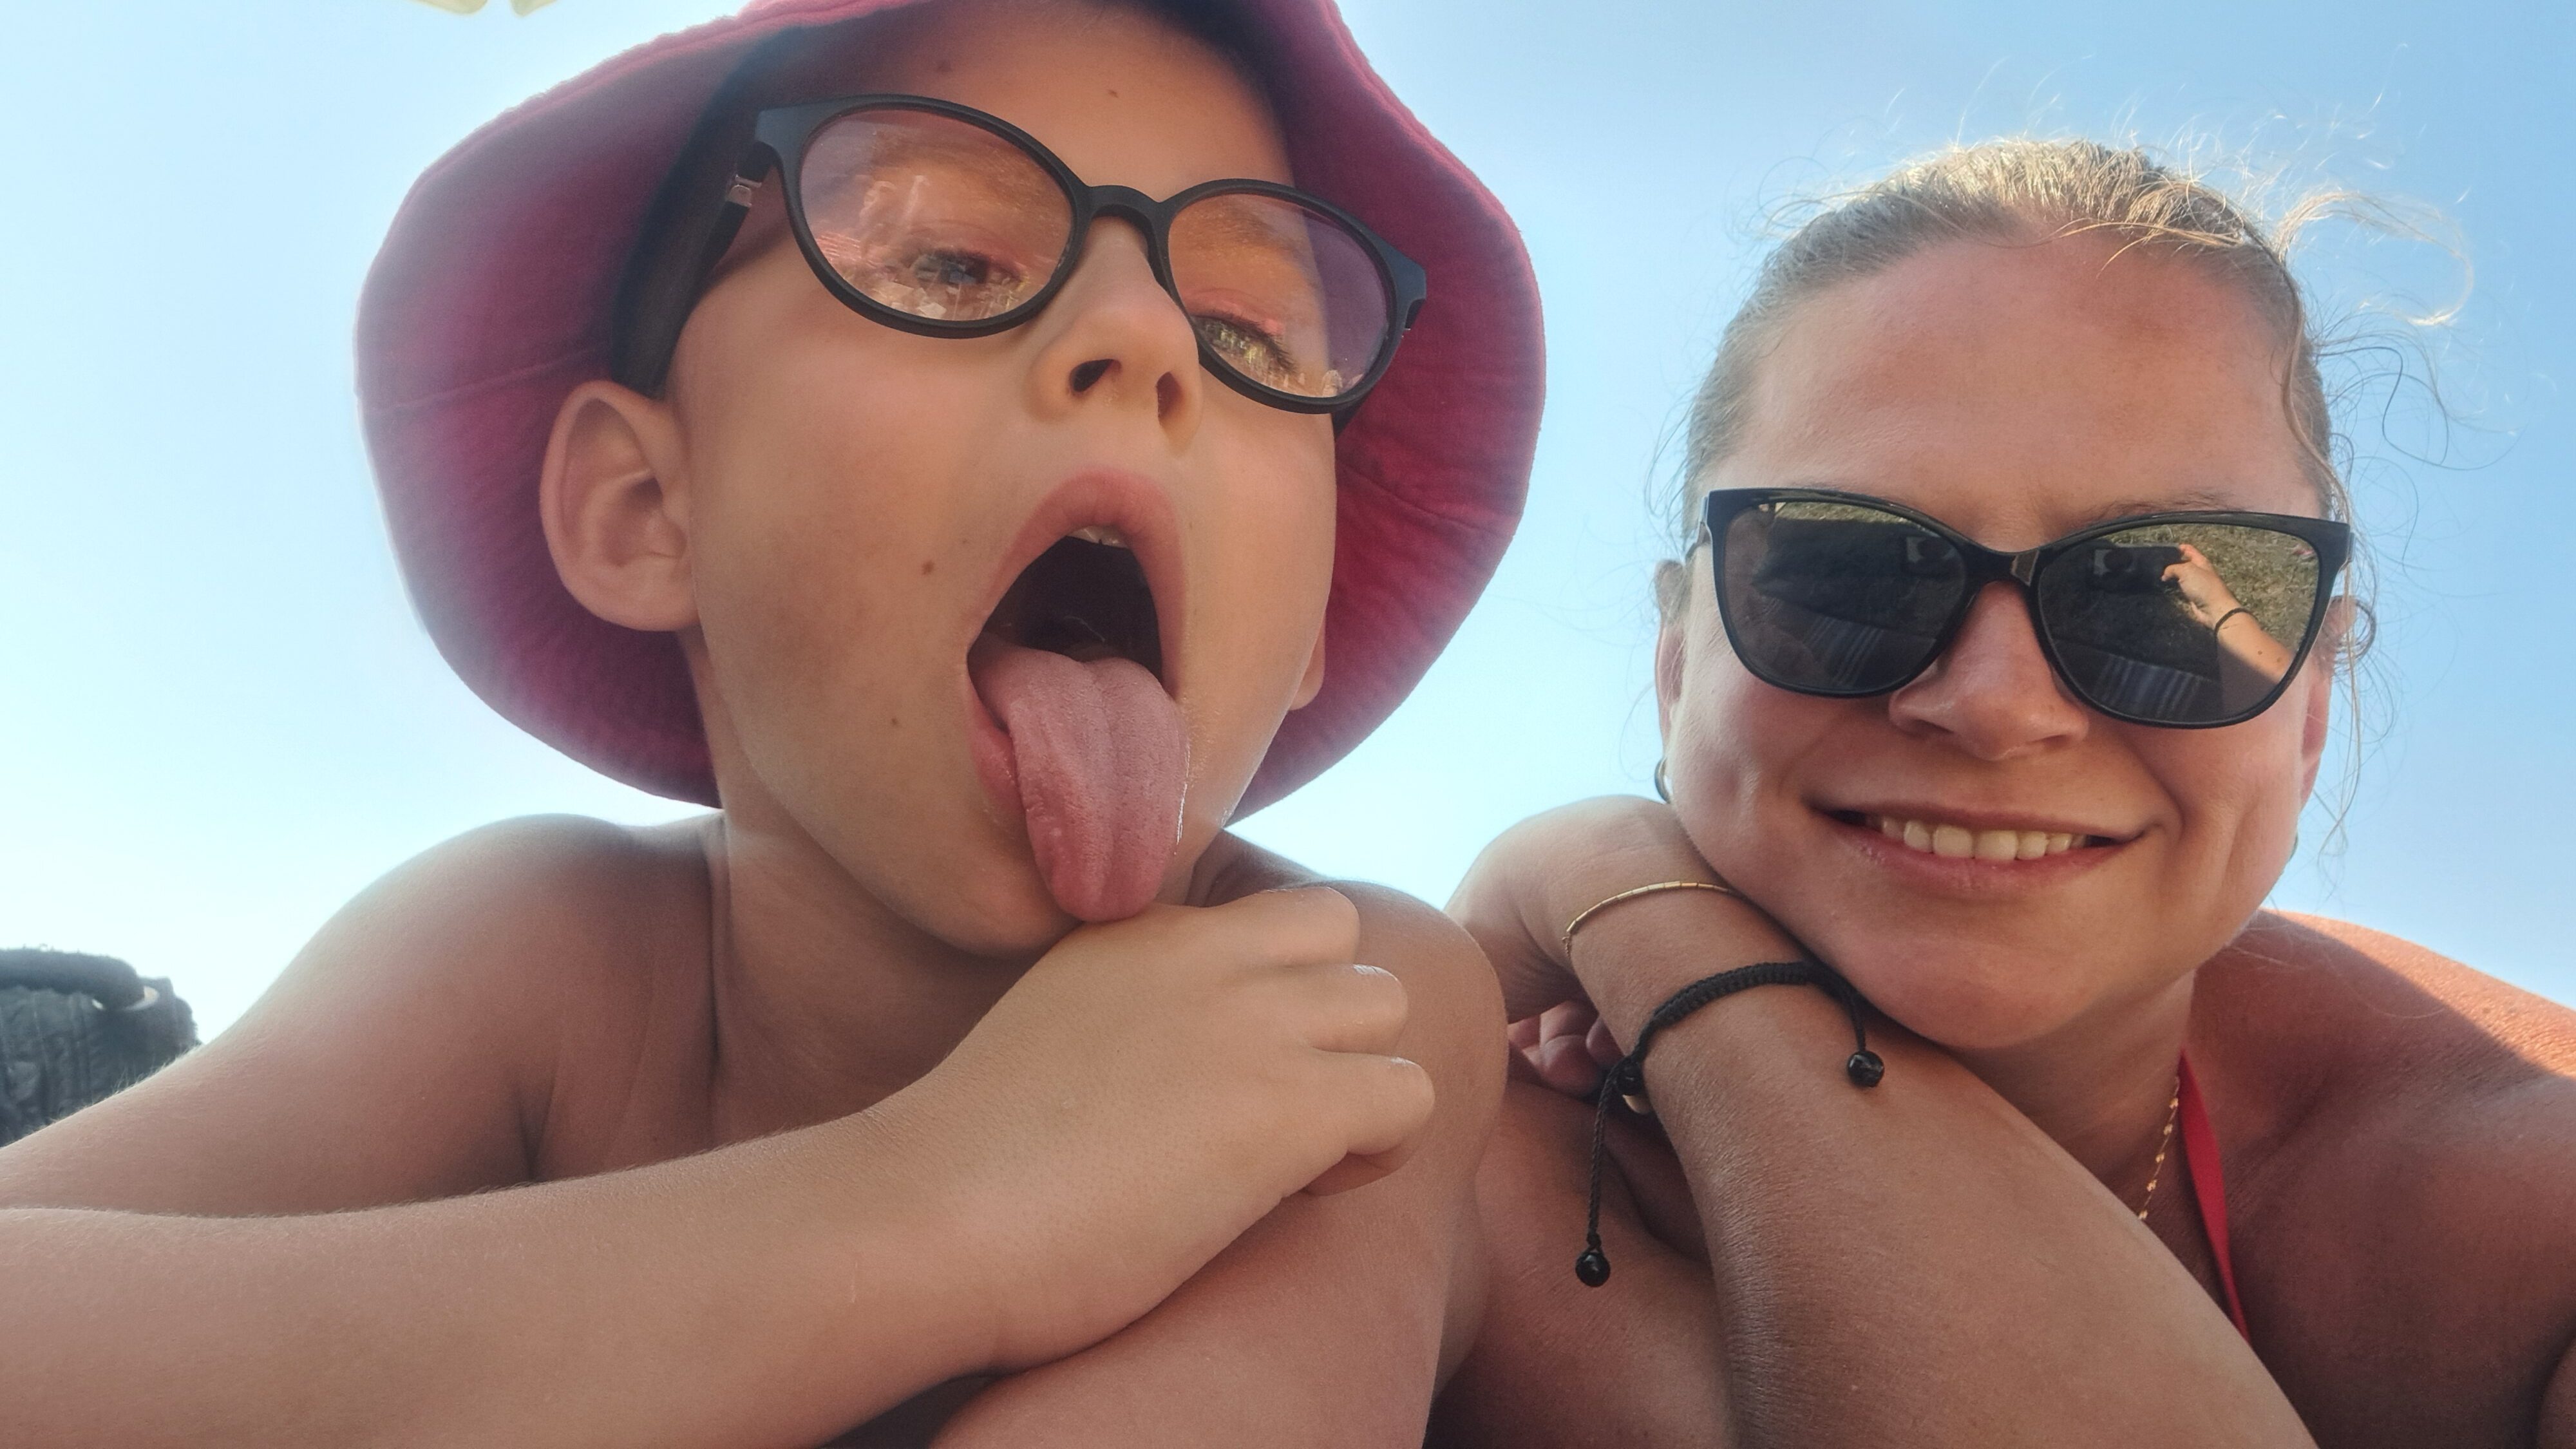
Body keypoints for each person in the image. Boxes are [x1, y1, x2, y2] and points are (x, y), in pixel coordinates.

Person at [0, 1, 1543, 1443]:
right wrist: (931, 1206)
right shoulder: (543, 955)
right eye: (947, 261)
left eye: (1256, 339)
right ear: (644, 509)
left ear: (1312, 623)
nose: (1141, 339)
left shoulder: (1355, 1004)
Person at [1434, 140, 2576, 1448]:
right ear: (1677, 659)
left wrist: (1610, 890)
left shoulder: (2517, 1226)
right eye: (1846, 570)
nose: (1996, 705)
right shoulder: (1429, 1150)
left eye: (2166, 604)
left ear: (2308, 717)